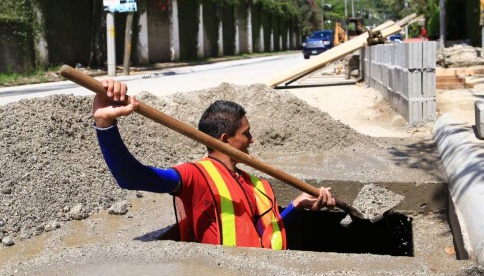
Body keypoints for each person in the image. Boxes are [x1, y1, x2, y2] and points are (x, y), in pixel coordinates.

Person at [93, 79, 335, 250]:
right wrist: (105, 125)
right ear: (225, 140)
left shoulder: (255, 184)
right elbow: (132, 177)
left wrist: (296, 205)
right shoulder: (195, 176)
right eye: (246, 133)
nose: (252, 139)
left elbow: (266, 234)